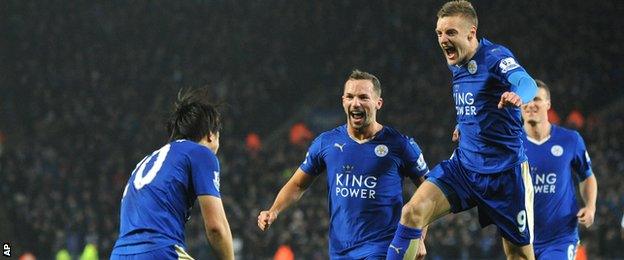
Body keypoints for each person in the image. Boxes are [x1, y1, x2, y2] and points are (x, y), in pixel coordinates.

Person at [387, 1, 539, 259]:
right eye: (439, 33)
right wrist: (466, 124)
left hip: (505, 176)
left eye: (450, 33)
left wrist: (517, 96)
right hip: (465, 168)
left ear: (471, 33)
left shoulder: (495, 57)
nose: (443, 39)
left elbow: (526, 82)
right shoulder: (455, 63)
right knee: (412, 212)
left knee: (519, 255)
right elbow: (475, 100)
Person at [257, 70, 430, 259]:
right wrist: (273, 210)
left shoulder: (400, 145)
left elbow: (429, 190)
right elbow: (298, 184)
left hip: (383, 248)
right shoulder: (326, 143)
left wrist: (418, 236)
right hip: (340, 251)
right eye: (350, 97)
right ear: (343, 101)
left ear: (378, 103)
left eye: (363, 97)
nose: (356, 103)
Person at [111, 89, 234, 260]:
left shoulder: (147, 161)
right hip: (158, 251)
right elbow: (216, 228)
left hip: (119, 254)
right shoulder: (201, 153)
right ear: (211, 136)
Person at [521, 80, 597, 259]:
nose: (531, 104)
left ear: (548, 104)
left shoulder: (570, 140)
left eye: (537, 99)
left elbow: (587, 176)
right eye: (526, 100)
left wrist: (590, 206)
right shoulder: (510, 144)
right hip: (521, 239)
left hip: (560, 238)